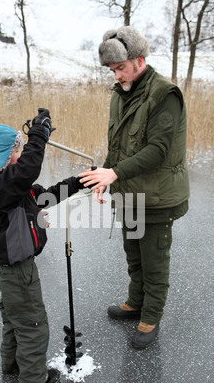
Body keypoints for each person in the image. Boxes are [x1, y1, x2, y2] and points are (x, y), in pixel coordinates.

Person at [79, 26, 190, 349]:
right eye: (112, 71)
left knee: (154, 259)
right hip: (129, 193)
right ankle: (135, 301)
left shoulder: (164, 94)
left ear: (139, 60)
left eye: (120, 68)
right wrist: (104, 174)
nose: (116, 76)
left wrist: (114, 174)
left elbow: (158, 150)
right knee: (134, 254)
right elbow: (117, 146)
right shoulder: (121, 93)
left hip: (158, 196)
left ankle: (151, 316)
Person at [0, 109, 86, 383]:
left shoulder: (8, 185)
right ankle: (35, 380)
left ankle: (11, 365)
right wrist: (39, 134)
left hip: (9, 269)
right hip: (19, 270)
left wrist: (78, 182)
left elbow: (44, 194)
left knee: (14, 319)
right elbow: (27, 170)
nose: (21, 156)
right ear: (3, 156)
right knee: (33, 323)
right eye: (17, 152)